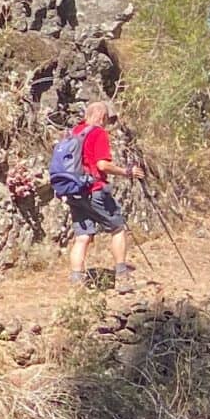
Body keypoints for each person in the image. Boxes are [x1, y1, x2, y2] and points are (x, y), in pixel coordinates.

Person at [60, 99, 143, 289]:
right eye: (107, 119)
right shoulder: (98, 133)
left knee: (82, 236)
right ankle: (122, 277)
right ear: (103, 117)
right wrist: (126, 172)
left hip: (74, 192)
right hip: (94, 189)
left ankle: (76, 280)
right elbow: (102, 165)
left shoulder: (73, 132)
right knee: (118, 228)